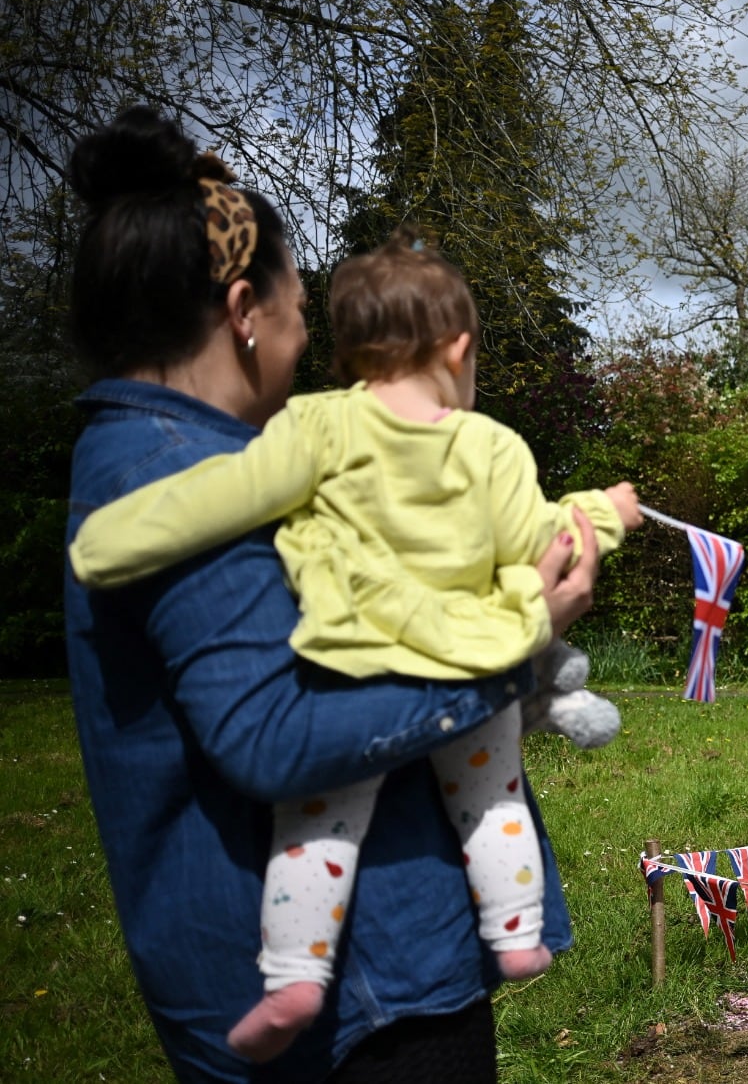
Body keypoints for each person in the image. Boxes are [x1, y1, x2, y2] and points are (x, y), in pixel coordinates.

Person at [62, 105, 594, 1083]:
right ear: (243, 313)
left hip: (345, 981)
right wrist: (516, 644)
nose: (309, 342)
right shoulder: (175, 470)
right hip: (367, 1003)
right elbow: (275, 736)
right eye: (300, 311)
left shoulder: (187, 461)